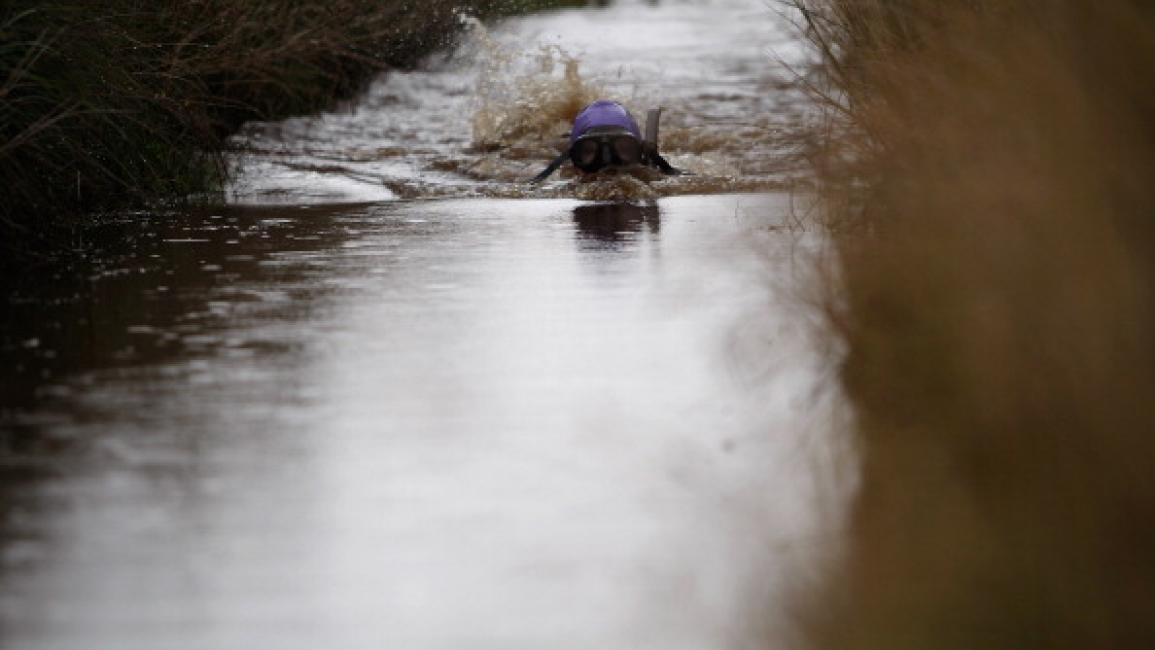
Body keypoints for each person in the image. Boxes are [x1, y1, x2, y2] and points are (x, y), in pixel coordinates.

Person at [531, 99, 681, 183]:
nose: (607, 160)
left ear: (640, 150)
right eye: (590, 151)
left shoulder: (649, 163)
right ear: (574, 156)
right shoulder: (564, 169)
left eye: (624, 148)